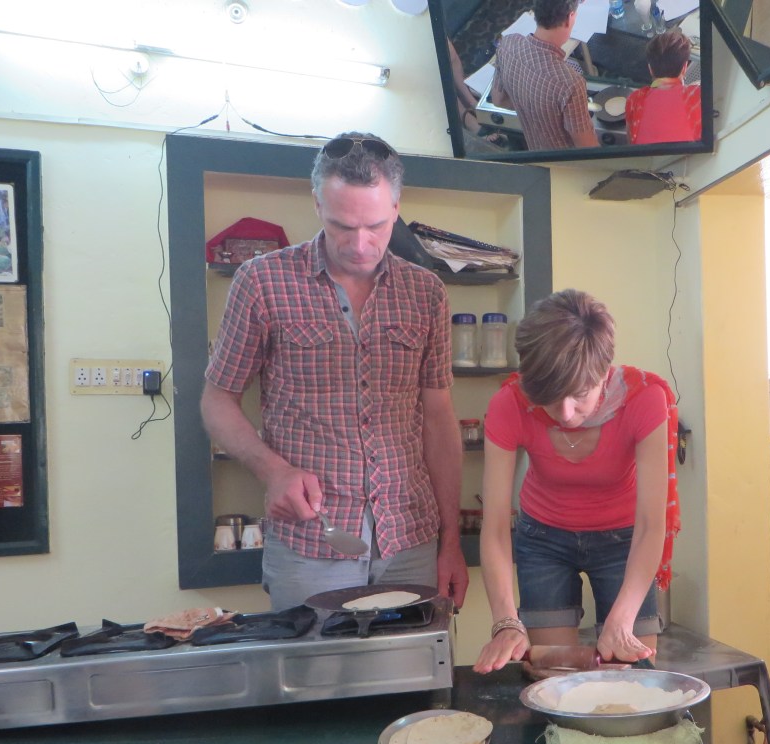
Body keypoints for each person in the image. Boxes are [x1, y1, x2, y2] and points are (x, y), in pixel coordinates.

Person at [201, 132, 468, 612]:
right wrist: (273, 471)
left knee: (411, 662)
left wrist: (451, 541)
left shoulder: (426, 292)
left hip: (410, 539)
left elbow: (438, 418)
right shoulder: (262, 282)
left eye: (377, 226)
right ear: (317, 204)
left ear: (396, 207)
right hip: (310, 543)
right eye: (342, 226)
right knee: (313, 663)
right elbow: (216, 399)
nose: (361, 245)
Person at [472, 290, 680, 674]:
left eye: (580, 395)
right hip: (544, 539)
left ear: (605, 371)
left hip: (624, 541)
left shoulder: (644, 399)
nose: (566, 414)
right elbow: (496, 525)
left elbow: (652, 524)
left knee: (631, 676)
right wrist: (505, 622)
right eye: (551, 398)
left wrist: (622, 621)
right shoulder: (509, 403)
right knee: (553, 673)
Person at [489, 0, 598, 151]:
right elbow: (588, 148)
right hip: (568, 162)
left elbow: (498, 100)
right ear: (570, 17)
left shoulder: (507, 44)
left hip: (535, 151)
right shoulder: (570, 83)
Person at [625, 30, 702, 145]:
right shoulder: (698, 95)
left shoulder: (634, 99)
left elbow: (630, 142)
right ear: (685, 67)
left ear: (650, 69)